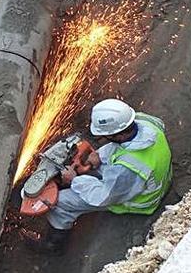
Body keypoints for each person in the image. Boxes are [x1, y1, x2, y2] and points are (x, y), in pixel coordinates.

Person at [29, 98, 172, 254]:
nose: (103, 138)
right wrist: (99, 156)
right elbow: (123, 147)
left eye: (106, 135)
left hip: (139, 200)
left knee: (59, 203)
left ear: (117, 135)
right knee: (98, 166)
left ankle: (53, 245)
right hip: (151, 177)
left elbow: (104, 196)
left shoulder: (127, 169)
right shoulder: (142, 121)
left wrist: (74, 180)